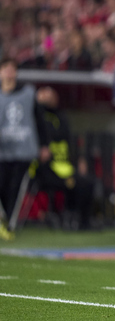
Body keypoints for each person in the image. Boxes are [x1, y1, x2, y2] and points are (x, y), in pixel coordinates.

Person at [31, 86, 94, 230]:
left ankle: (81, 221)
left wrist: (80, 159)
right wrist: (38, 102)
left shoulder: (61, 117)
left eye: (52, 95)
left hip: (64, 167)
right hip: (46, 170)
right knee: (75, 184)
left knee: (87, 183)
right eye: (45, 95)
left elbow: (70, 143)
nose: (50, 98)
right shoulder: (38, 117)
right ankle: (70, 218)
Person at [0, 57, 49, 240]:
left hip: (23, 151)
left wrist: (44, 144)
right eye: (5, 68)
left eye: (12, 68)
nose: (9, 72)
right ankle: (4, 221)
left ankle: (10, 226)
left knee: (15, 189)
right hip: (3, 151)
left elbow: (40, 120)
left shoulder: (28, 94)